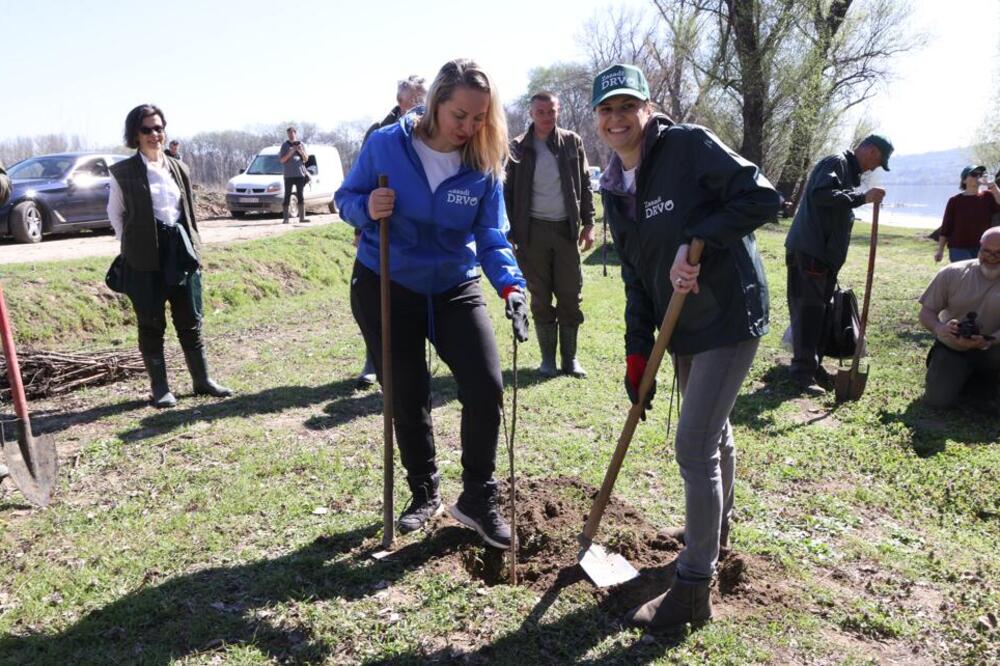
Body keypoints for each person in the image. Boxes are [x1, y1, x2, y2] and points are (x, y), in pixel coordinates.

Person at [591, 64, 780, 631]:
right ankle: (714, 532)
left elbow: (762, 198)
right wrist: (637, 351)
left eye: (628, 106)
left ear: (648, 110)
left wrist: (699, 240)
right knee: (713, 434)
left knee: (694, 444)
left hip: (727, 312)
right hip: (682, 325)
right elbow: (635, 276)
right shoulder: (614, 187)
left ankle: (694, 588)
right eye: (607, 109)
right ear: (597, 119)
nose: (618, 118)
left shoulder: (687, 147)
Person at [334, 59, 529, 549]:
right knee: (407, 392)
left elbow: (491, 235)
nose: (469, 127)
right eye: (459, 115)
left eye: (479, 117)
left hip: (452, 284)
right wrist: (366, 207)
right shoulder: (386, 144)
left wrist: (511, 286)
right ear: (436, 103)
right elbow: (345, 198)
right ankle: (424, 490)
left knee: (485, 385)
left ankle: (478, 496)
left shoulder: (483, 161)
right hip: (386, 280)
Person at [107, 104, 233, 408]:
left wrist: (194, 249)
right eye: (147, 129)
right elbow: (115, 213)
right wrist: (133, 246)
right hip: (144, 258)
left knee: (190, 319)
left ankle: (202, 380)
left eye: (159, 128)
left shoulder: (179, 168)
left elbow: (187, 211)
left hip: (180, 252)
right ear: (135, 134)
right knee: (151, 323)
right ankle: (160, 388)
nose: (154, 134)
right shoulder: (123, 172)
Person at [783, 134, 892, 394]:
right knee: (809, 314)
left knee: (821, 314)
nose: (875, 168)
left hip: (823, 256)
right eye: (878, 161)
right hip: (811, 251)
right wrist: (863, 198)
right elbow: (822, 195)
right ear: (871, 151)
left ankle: (812, 365)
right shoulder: (836, 162)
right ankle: (801, 373)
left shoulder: (847, 172)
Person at [504, 91, 595, 378]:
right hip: (531, 232)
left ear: (558, 111)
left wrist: (589, 223)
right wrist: (509, 231)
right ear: (531, 114)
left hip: (566, 230)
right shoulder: (518, 147)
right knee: (540, 296)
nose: (546, 116)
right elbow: (506, 191)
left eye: (551, 111)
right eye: (540, 112)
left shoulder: (572, 141)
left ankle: (570, 359)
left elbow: (585, 184)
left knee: (570, 294)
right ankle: (547, 360)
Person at [351, 75, 428, 389]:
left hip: (420, 235)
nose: (423, 105)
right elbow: (360, 185)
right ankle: (373, 361)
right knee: (377, 302)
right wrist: (361, 224)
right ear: (401, 102)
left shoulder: (434, 131)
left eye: (426, 98)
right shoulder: (379, 133)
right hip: (382, 229)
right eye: (417, 100)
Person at [919, 227, 1000, 409]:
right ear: (979, 248)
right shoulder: (952, 273)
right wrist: (940, 328)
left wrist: (988, 341)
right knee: (937, 401)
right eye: (987, 251)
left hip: (995, 348)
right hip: (953, 348)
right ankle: (967, 379)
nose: (992, 257)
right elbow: (927, 312)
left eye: (998, 253)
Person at [934, 165, 1000, 263]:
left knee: (980, 273)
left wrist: (992, 185)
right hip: (958, 248)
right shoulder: (954, 201)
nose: (978, 177)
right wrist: (940, 250)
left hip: (983, 247)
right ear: (964, 180)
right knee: (963, 272)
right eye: (974, 174)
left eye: (980, 174)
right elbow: (946, 227)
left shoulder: (989, 196)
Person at [279, 127, 309, 224]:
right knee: (287, 195)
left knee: (300, 195)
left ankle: (302, 218)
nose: (291, 135)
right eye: (289, 133)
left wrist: (300, 151)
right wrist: (291, 151)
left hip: (300, 174)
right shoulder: (285, 145)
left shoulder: (301, 144)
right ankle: (286, 218)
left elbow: (306, 159)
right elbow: (282, 160)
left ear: (295, 133)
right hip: (288, 175)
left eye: (292, 133)